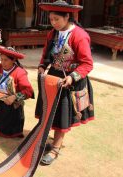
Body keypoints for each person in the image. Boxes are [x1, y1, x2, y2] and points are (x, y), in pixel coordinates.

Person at [36, 0, 95, 165]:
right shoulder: (52, 33)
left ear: (67, 16)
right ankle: (54, 142)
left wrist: (72, 77)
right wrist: (42, 66)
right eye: (51, 19)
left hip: (70, 79)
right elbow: (47, 54)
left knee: (62, 114)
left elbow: (87, 64)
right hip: (54, 78)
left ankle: (56, 147)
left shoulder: (80, 35)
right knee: (51, 111)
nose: (53, 23)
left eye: (56, 19)